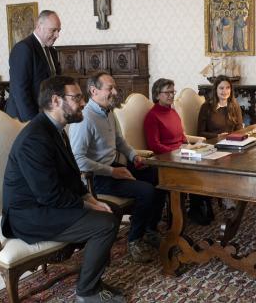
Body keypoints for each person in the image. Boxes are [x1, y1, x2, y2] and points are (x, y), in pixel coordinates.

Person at [1, 76, 123, 303]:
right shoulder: (34, 138)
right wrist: (90, 205)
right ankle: (87, 292)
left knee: (112, 211)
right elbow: (50, 194)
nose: (84, 102)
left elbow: (70, 175)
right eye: (77, 97)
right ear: (56, 100)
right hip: (29, 214)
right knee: (105, 224)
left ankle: (93, 278)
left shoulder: (56, 128)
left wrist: (91, 199)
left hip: (48, 204)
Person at [69, 72, 163, 263]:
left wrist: (133, 156)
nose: (114, 91)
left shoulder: (107, 111)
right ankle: (134, 240)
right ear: (93, 91)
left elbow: (119, 141)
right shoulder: (84, 119)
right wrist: (113, 172)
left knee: (160, 176)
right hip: (96, 177)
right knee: (146, 191)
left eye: (114, 87)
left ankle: (149, 229)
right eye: (109, 88)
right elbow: (78, 160)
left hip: (114, 166)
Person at [144, 78, 211, 225]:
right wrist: (178, 150)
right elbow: (154, 145)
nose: (171, 95)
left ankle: (198, 208)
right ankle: (192, 211)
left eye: (172, 92)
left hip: (181, 153)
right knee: (195, 171)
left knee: (206, 165)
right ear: (157, 95)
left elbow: (181, 136)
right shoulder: (152, 116)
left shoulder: (172, 112)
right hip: (165, 159)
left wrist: (192, 145)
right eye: (167, 92)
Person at [196, 75, 243, 215]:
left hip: (232, 144)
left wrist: (233, 138)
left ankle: (238, 193)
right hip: (213, 146)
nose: (225, 91)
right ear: (215, 89)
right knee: (225, 160)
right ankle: (227, 197)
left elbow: (240, 129)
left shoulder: (234, 106)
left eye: (228, 88)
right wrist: (217, 137)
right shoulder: (206, 107)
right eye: (221, 88)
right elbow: (199, 132)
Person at [6, 10, 61, 122]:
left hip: (46, 115)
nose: (57, 35)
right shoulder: (23, 49)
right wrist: (32, 123)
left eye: (59, 31)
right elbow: (20, 91)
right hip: (23, 119)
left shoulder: (52, 51)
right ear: (39, 26)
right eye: (53, 30)